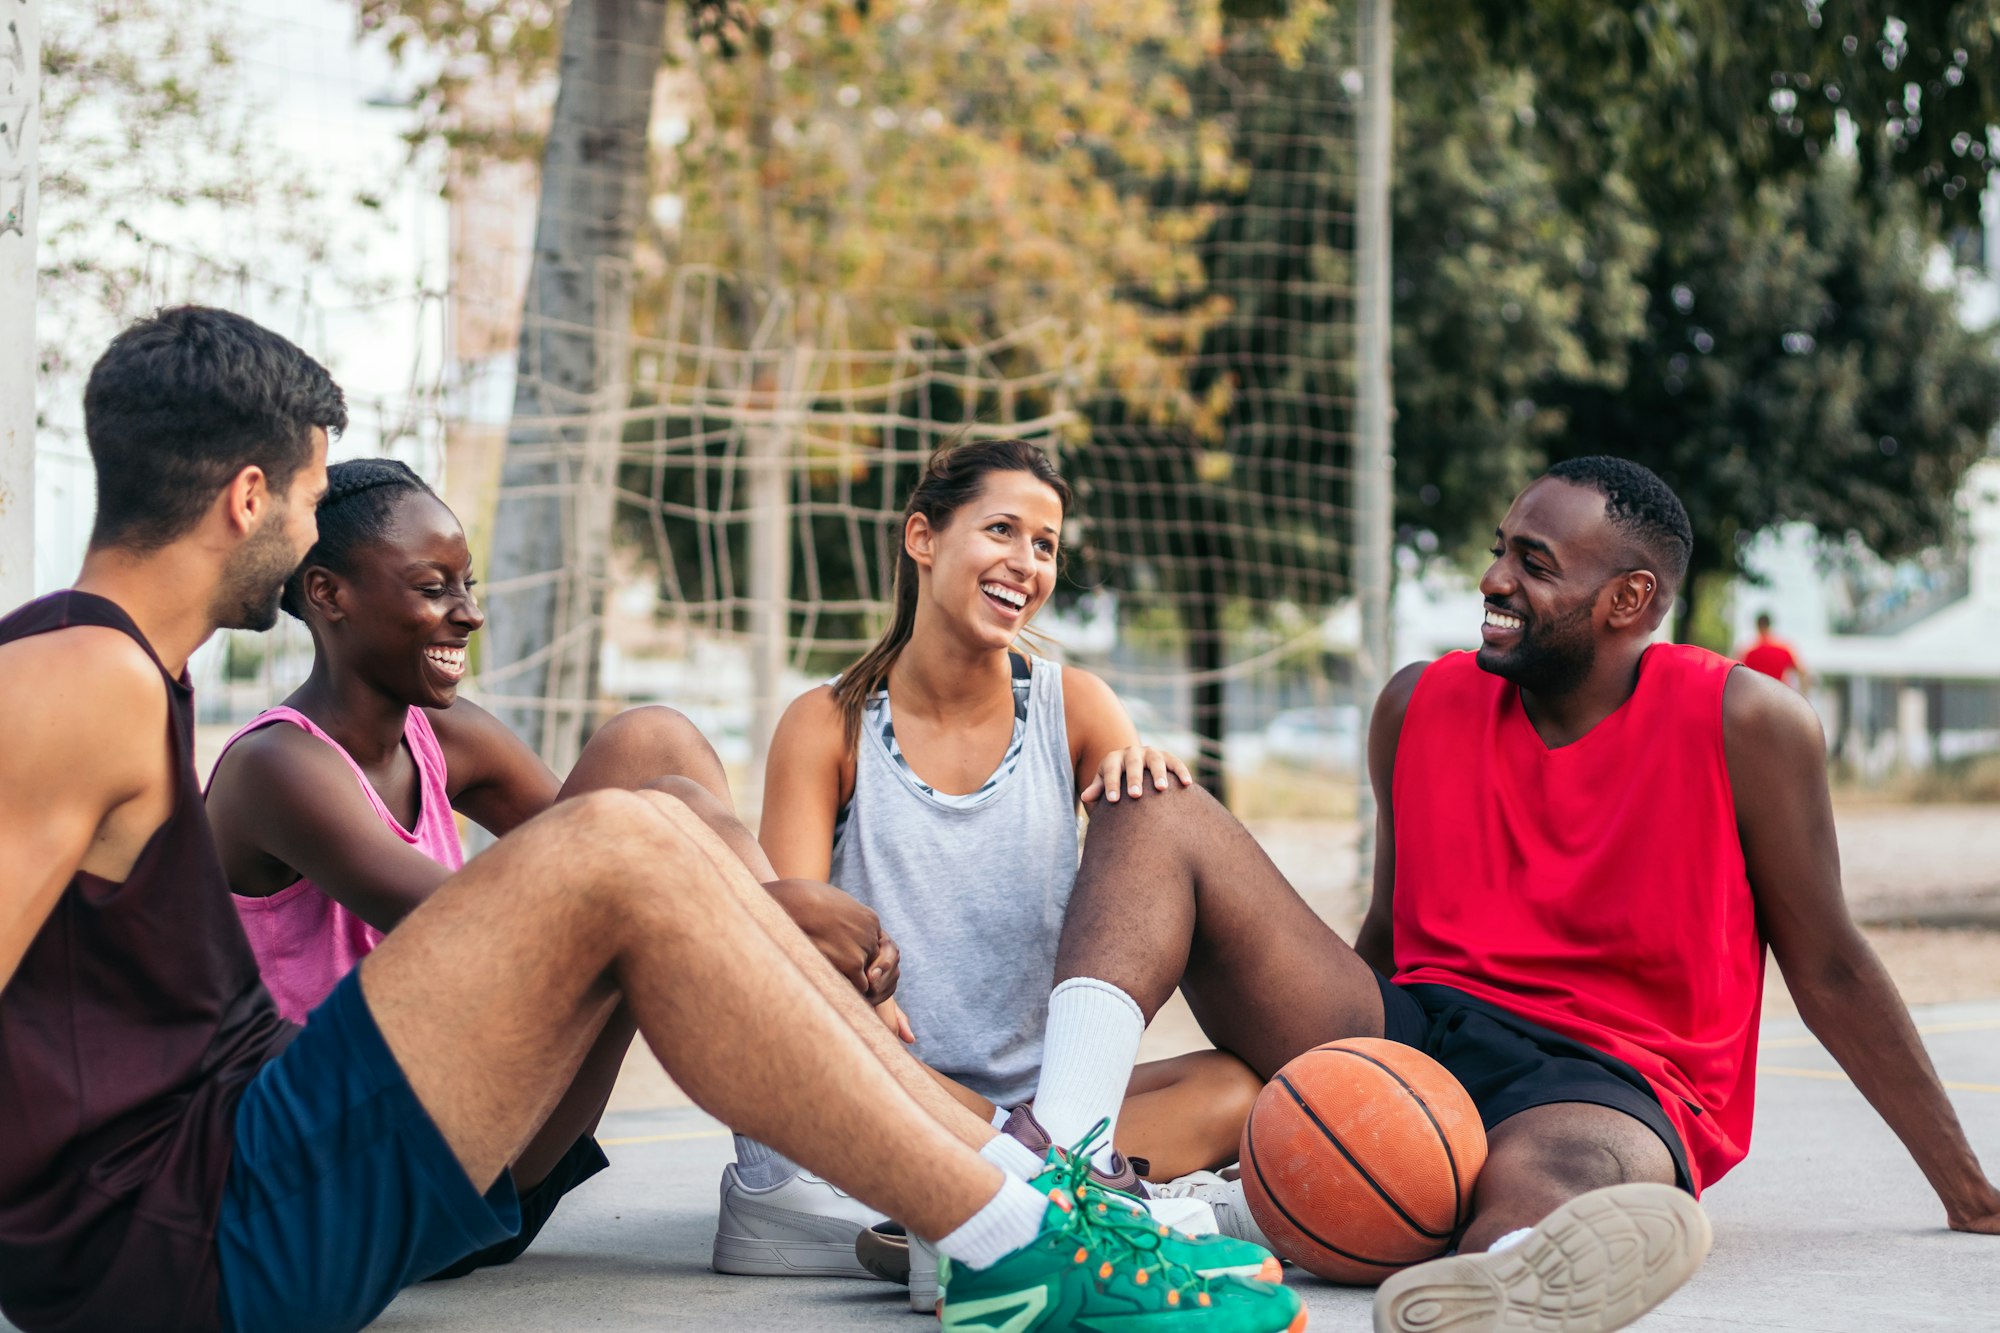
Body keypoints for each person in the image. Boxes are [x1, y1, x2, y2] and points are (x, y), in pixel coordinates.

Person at [0, 307, 1299, 1333]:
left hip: (236, 1173)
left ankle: (1030, 1209)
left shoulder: (114, 675)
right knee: (622, 840)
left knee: (648, 813)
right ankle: (1020, 1240)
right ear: (247, 497)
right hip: (193, 1233)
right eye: (304, 496)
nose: (300, 536)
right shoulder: (82, 674)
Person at [1020, 456, 2000, 1333]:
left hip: (1609, 1077)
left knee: (1548, 1178)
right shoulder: (1416, 702)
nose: (1493, 580)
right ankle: (1049, 1176)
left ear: (1628, 599)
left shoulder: (1744, 719)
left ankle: (1493, 1286)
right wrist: (1315, 1087)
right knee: (1155, 805)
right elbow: (1383, 929)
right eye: (1499, 552)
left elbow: (1825, 961)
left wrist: (1966, 1188)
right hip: (1412, 1025)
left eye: (1533, 563)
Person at [205, 457, 800, 1277]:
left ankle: (782, 1176)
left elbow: (608, 844)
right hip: (368, 1186)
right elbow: (503, 925)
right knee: (665, 833)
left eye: (468, 584)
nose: (469, 613)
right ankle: (838, 1143)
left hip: (495, 1148)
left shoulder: (443, 738)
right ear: (327, 594)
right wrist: (788, 918)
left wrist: (758, 905)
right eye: (432, 587)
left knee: (656, 749)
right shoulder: (278, 769)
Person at [733, 438, 1262, 1290]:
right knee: (827, 1042)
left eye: (1046, 545)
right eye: (1003, 530)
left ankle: (1004, 1197)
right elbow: (789, 950)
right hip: (881, 1085)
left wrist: (1144, 777)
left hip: (1044, 1111)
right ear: (923, 538)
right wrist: (861, 987)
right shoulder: (826, 724)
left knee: (1237, 1090)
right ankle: (1059, 1201)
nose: (1026, 563)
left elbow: (1147, 876)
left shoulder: (1074, 705)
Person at [1739, 611, 1810, 692]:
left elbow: (1739, 675)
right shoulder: (1784, 648)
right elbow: (1802, 672)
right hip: (1779, 695)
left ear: (1757, 626)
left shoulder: (1749, 651)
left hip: (1757, 696)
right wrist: (1801, 695)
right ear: (1770, 625)